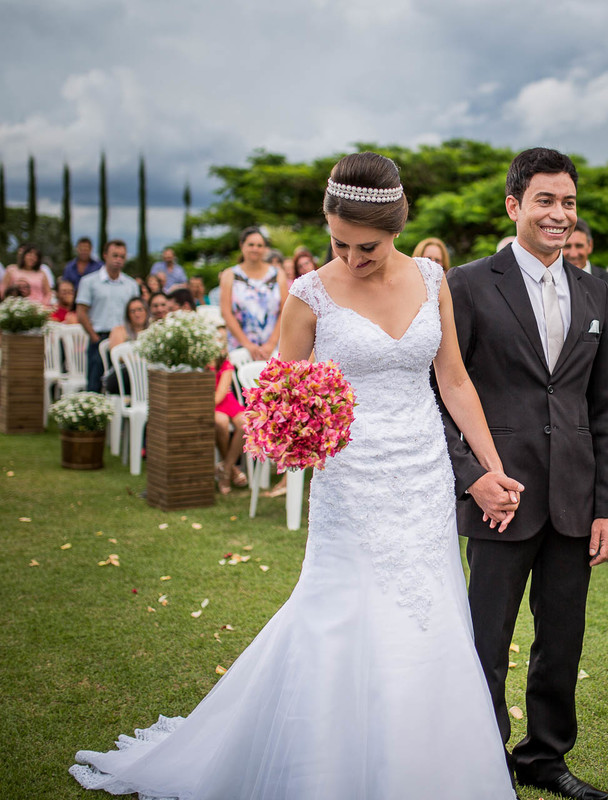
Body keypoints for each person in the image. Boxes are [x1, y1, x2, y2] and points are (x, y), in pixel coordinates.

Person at [71, 152, 519, 799]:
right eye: (338, 243)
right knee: (337, 612)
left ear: (396, 226)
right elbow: (282, 395)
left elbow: (453, 380)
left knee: (428, 614)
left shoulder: (431, 279)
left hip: (421, 474)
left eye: (366, 245)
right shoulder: (308, 296)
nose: (352, 257)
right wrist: (291, 439)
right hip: (351, 477)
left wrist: (491, 469)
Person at [441, 147, 608, 800]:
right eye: (545, 200)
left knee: (561, 644)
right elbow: (440, 395)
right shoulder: (466, 284)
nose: (559, 213)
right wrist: (472, 476)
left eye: (568, 202)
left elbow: (605, 407)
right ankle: (486, 763)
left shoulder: (599, 289)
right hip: (501, 496)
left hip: (575, 498)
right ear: (515, 206)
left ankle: (545, 757)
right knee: (485, 643)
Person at [562, 219, 608, 375]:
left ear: (590, 246)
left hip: (602, 378)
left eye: (579, 246)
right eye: (567, 246)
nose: (573, 253)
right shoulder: (550, 281)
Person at [75, 241, 140, 393]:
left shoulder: (131, 285)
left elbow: (135, 312)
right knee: (94, 384)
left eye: (122, 256)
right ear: (105, 256)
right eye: (115, 255)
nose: (118, 259)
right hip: (99, 336)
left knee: (123, 383)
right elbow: (81, 312)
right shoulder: (89, 281)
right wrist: (94, 336)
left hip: (124, 338)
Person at [219, 227, 284, 361]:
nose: (255, 249)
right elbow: (225, 312)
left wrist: (271, 344)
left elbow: (284, 311)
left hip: (272, 348)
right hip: (240, 348)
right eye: (251, 245)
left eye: (259, 245)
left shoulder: (278, 274)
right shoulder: (230, 275)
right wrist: (247, 345)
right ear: (242, 245)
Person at [210, 330, 249, 494]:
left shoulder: (225, 364)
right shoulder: (199, 364)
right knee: (221, 422)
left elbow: (220, 396)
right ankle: (231, 470)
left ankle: (225, 467)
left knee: (245, 423)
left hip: (226, 401)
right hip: (209, 404)